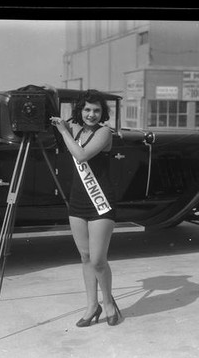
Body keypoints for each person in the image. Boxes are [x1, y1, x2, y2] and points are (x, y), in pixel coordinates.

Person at [50, 89, 122, 327]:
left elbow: (81, 155)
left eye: (97, 110)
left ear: (103, 113)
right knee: (85, 257)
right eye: (87, 109)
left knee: (99, 260)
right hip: (78, 202)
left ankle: (109, 302)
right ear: (80, 110)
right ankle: (92, 306)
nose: (91, 114)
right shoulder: (74, 129)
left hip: (100, 202)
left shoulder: (104, 132)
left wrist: (63, 130)